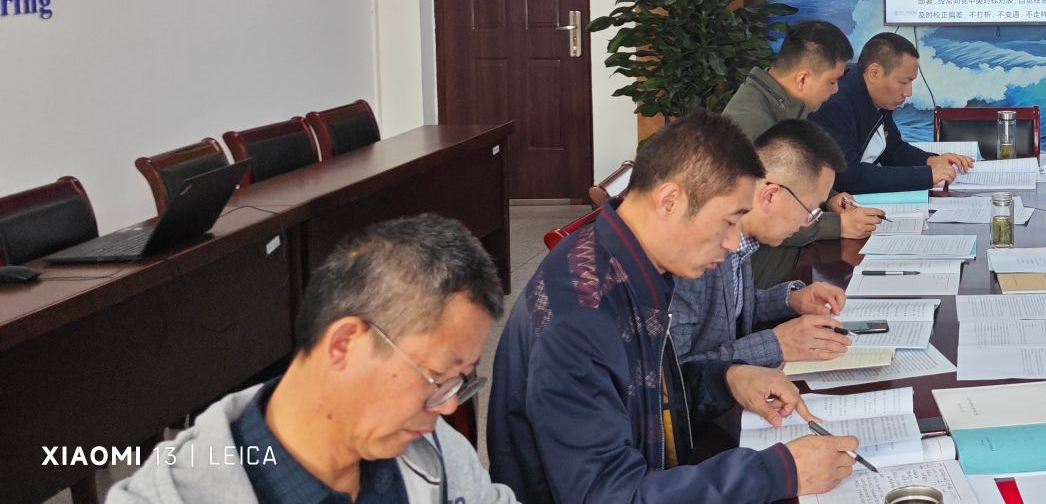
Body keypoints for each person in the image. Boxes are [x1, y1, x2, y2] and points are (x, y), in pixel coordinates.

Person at [487, 110, 856, 504]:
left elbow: (648, 395)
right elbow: (608, 494)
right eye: (728, 221)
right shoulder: (582, 317)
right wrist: (778, 472)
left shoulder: (629, 262)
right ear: (670, 201)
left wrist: (726, 380)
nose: (734, 243)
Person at [108, 215, 518, 504]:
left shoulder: (434, 448)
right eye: (437, 376)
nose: (448, 406)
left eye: (459, 379)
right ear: (344, 344)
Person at [669, 119, 853, 368]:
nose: (806, 223)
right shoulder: (696, 252)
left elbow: (730, 310)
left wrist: (791, 299)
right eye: (809, 210)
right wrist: (778, 344)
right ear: (771, 195)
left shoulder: (743, 234)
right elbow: (676, 373)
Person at [724, 20, 884, 288]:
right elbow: (765, 213)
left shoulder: (783, 104)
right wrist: (839, 225)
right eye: (832, 81)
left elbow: (793, 177)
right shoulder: (751, 124)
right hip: (761, 276)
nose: (835, 90)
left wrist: (829, 198)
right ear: (802, 78)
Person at [812, 32, 974, 194]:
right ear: (874, 73)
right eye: (903, 82)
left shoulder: (876, 97)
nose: (908, 92)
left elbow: (892, 149)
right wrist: (926, 175)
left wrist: (931, 160)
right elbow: (848, 177)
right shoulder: (835, 104)